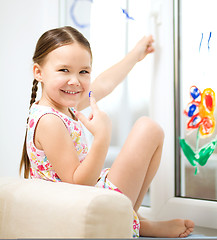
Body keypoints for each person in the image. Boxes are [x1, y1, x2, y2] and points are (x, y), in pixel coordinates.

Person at [20, 26, 194, 238]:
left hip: (82, 200)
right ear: (39, 72)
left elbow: (104, 84)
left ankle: (132, 220)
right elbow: (78, 185)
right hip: (76, 210)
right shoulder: (49, 121)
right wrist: (102, 137)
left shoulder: (65, 107)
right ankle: (128, 222)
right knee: (147, 129)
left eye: (84, 71)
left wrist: (135, 55)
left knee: (151, 130)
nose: (75, 81)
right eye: (64, 70)